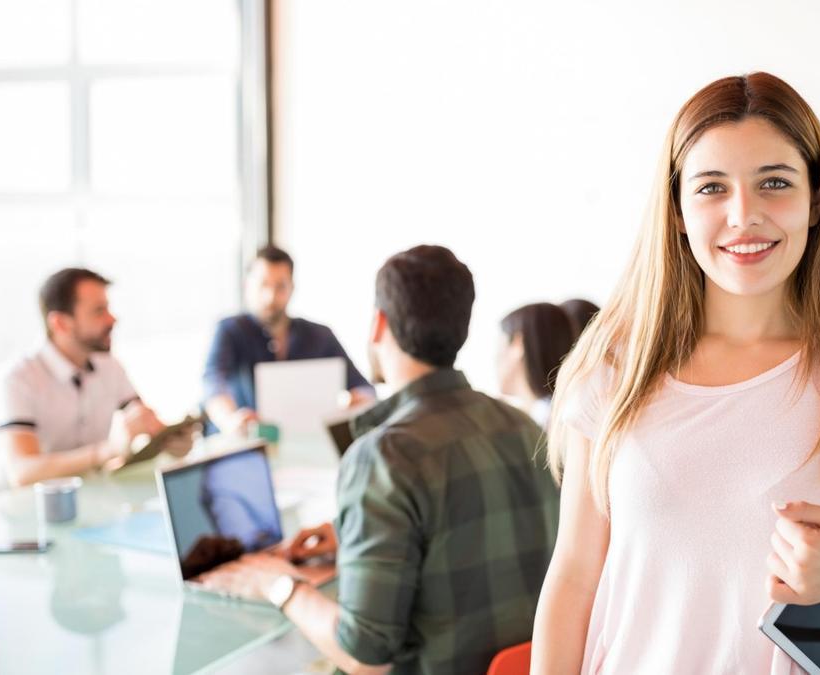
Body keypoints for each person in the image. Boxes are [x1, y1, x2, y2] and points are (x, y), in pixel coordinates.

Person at [531, 73, 820, 673]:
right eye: (711, 188)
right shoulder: (613, 369)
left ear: (816, 200)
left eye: (774, 183)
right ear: (678, 210)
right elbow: (574, 577)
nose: (744, 216)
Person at [205, 245, 560, 675]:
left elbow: (364, 654)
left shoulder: (384, 457)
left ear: (379, 324)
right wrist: (354, 532)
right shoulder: (522, 427)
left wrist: (277, 585)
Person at [0, 268, 195, 493]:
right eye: (98, 311)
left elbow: (146, 422)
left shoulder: (108, 365)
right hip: (14, 508)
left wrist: (171, 443)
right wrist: (107, 451)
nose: (112, 319)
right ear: (60, 323)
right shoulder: (18, 379)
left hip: (85, 496)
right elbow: (23, 472)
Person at [202, 246, 375, 435]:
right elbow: (213, 382)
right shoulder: (230, 330)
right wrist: (229, 419)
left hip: (307, 443)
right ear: (247, 285)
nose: (270, 296)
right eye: (263, 284)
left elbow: (364, 388)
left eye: (280, 286)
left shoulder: (320, 335)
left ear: (292, 287)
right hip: (247, 445)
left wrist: (356, 404)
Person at [496, 302, 576, 427]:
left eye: (499, 346)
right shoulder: (564, 411)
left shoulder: (543, 423)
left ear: (518, 345)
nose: (495, 358)